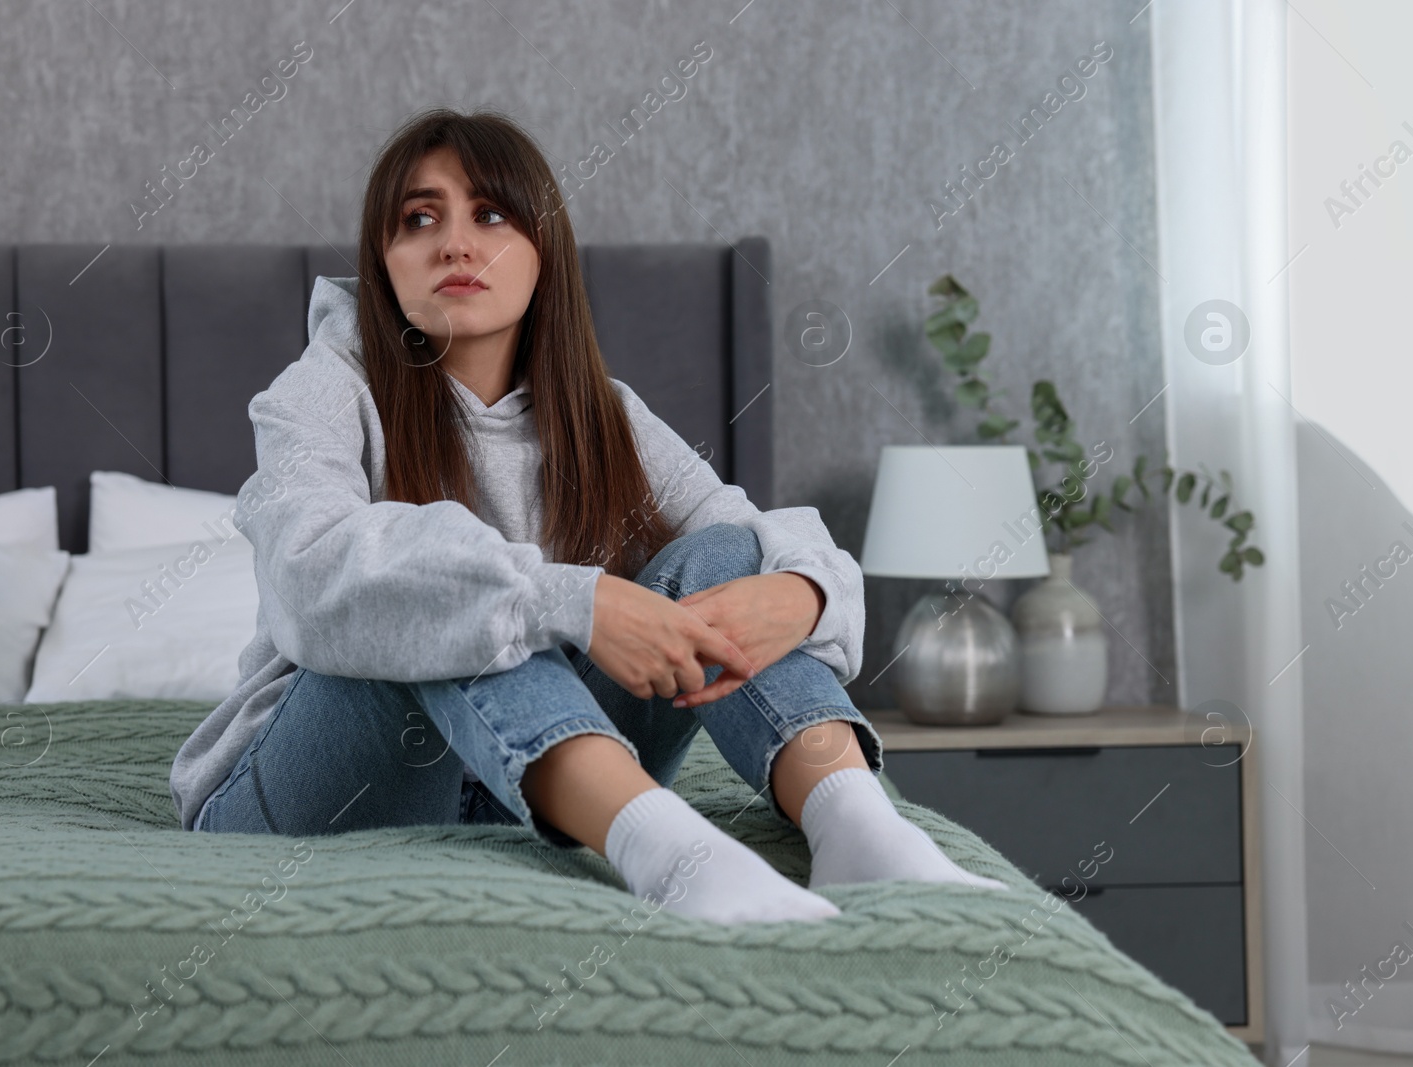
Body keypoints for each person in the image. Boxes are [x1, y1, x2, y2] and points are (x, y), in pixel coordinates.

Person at [168, 106, 1004, 925]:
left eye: (489, 213)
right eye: (419, 220)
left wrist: (802, 594)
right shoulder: (319, 390)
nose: (454, 241)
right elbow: (308, 576)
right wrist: (570, 600)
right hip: (311, 789)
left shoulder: (604, 413)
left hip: (531, 787)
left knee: (722, 552)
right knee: (451, 581)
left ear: (543, 250)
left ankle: (853, 823)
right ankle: (670, 852)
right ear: (385, 261)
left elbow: (750, 537)